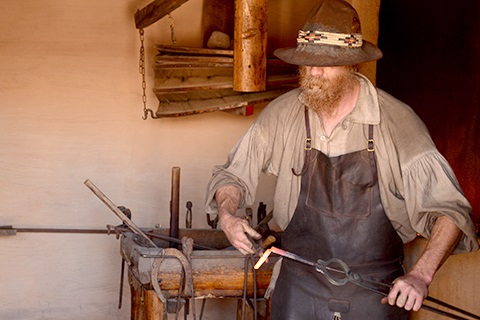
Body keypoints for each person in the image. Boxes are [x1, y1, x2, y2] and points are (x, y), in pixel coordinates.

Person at [205, 0, 479, 319]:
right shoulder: (283, 114)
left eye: (326, 63)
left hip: (374, 294)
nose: (314, 72)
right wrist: (227, 215)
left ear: (352, 64)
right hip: (298, 291)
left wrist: (420, 276)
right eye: (307, 62)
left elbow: (450, 211)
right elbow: (232, 176)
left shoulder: (397, 123)